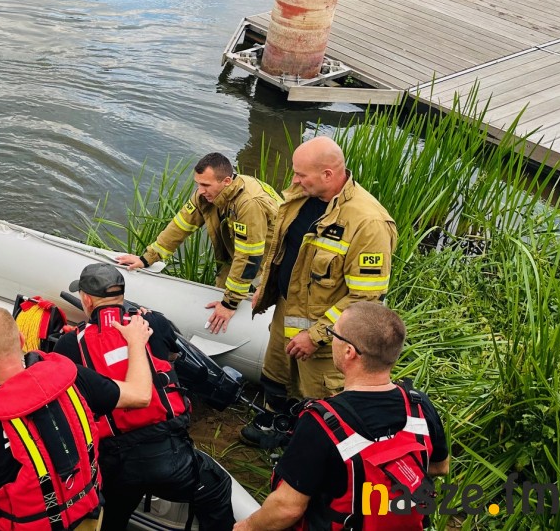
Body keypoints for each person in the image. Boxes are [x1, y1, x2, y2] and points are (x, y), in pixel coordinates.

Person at [0, 305, 155, 531]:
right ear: (21, 339)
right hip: (88, 519)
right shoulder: (73, 378)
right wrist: (136, 342)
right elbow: (141, 395)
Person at [235, 302, 449, 531]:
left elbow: (286, 508)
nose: (331, 339)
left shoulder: (320, 422)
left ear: (349, 351)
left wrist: (246, 526)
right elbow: (440, 466)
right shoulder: (418, 404)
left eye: (333, 333)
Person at [52, 263, 234, 531]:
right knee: (217, 487)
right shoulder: (154, 323)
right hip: (169, 453)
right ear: (122, 296)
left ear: (87, 300)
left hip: (114, 462)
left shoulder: (69, 344)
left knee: (111, 517)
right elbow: (174, 354)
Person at [243, 136, 397, 449]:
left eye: (301, 174)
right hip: (287, 309)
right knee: (277, 373)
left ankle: (310, 447)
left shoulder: (368, 222)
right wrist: (266, 287)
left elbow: (365, 298)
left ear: (328, 174)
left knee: (318, 394)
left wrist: (315, 336)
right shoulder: (301, 196)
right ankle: (275, 424)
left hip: (328, 331)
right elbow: (281, 246)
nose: (294, 179)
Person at [117, 152, 282, 335]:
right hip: (239, 252)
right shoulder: (207, 196)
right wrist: (147, 258)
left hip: (276, 258)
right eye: (198, 184)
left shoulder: (249, 204)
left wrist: (229, 304)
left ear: (226, 181)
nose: (200, 190)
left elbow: (250, 257)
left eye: (205, 185)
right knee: (222, 287)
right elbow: (180, 226)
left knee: (267, 298)